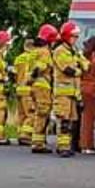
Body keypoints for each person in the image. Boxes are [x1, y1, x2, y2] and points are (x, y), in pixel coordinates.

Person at [49, 21, 84, 157]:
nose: (76, 39)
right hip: (63, 93)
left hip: (73, 94)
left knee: (70, 121)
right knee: (63, 120)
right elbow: (68, 70)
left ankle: (66, 146)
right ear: (66, 36)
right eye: (73, 36)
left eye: (76, 37)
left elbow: (86, 65)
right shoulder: (59, 51)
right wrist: (79, 70)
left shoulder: (74, 51)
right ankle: (63, 147)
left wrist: (81, 67)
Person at [26, 24, 57, 153]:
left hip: (34, 87)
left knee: (40, 113)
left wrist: (30, 80)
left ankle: (39, 141)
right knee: (43, 113)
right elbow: (40, 67)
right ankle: (38, 143)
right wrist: (34, 77)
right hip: (42, 86)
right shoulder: (44, 52)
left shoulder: (33, 51)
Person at [11, 28, 41, 147]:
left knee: (21, 114)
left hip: (19, 88)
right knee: (31, 114)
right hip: (28, 89)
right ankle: (25, 135)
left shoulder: (18, 58)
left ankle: (20, 133)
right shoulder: (33, 57)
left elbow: (14, 74)